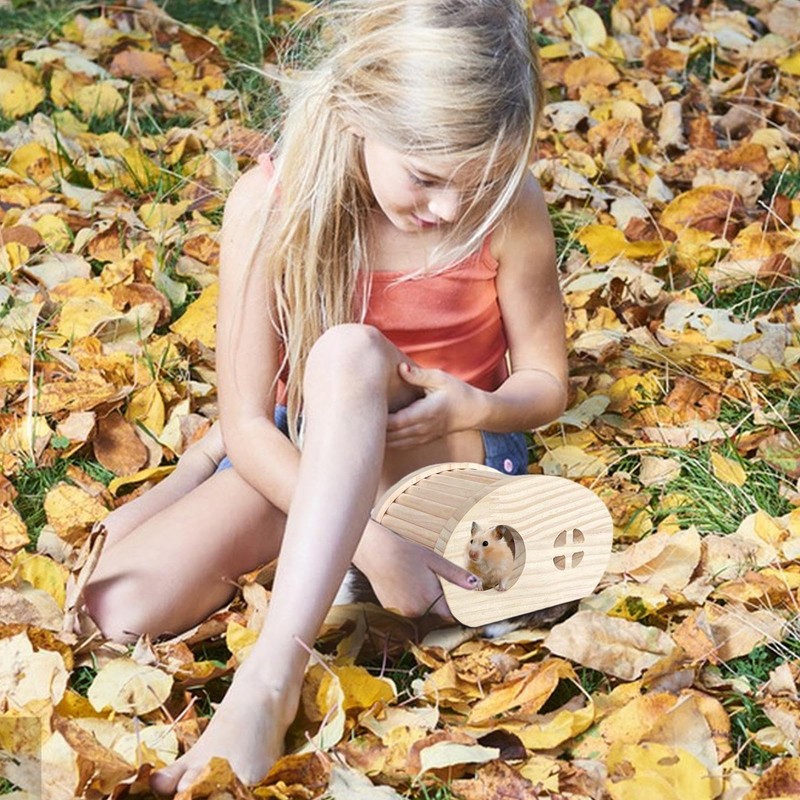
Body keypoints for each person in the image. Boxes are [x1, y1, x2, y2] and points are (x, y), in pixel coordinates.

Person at [83, 0, 568, 791]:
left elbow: (546, 382)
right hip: (311, 450)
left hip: (446, 447)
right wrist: (370, 542)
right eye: (428, 178)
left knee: (345, 356)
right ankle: (348, 556)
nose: (450, 210)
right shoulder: (269, 205)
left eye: (475, 187)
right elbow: (248, 422)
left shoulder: (507, 208)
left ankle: (267, 685)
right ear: (357, 110)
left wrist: (476, 406)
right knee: (115, 608)